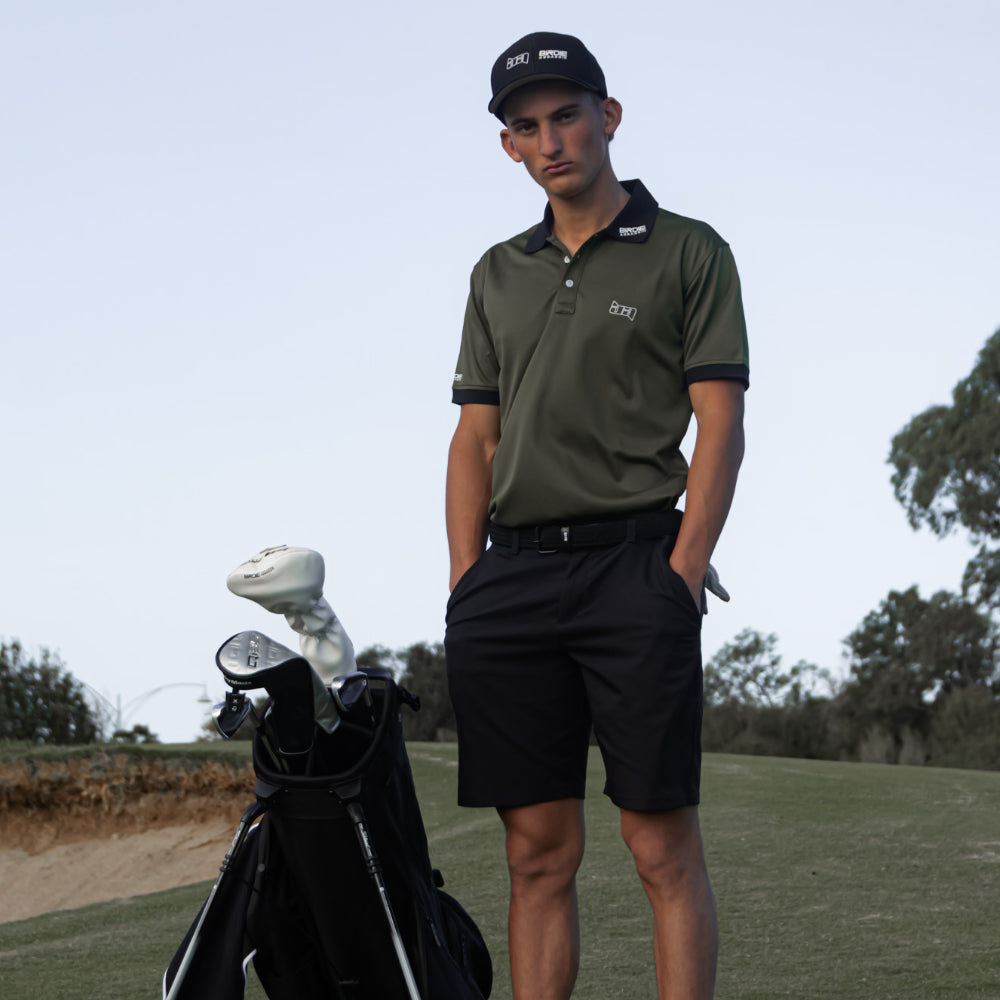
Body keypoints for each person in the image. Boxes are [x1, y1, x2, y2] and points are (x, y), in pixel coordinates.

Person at [444, 31, 748, 1000]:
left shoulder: (690, 250)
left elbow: (720, 423)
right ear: (508, 147)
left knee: (659, 845)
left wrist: (684, 570)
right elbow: (472, 440)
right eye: (525, 126)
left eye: (566, 114)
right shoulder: (496, 272)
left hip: (634, 570)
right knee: (536, 855)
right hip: (513, 580)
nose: (550, 139)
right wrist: (466, 580)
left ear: (606, 117)